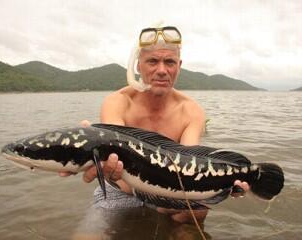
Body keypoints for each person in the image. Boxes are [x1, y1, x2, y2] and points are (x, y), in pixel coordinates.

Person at [61, 25, 249, 223]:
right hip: (120, 190)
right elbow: (112, 159)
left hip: (168, 194)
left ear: (179, 65)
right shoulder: (117, 102)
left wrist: (224, 186)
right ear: (138, 65)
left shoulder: (191, 110)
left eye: (169, 62)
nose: (162, 70)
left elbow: (190, 169)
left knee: (198, 213)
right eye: (152, 61)